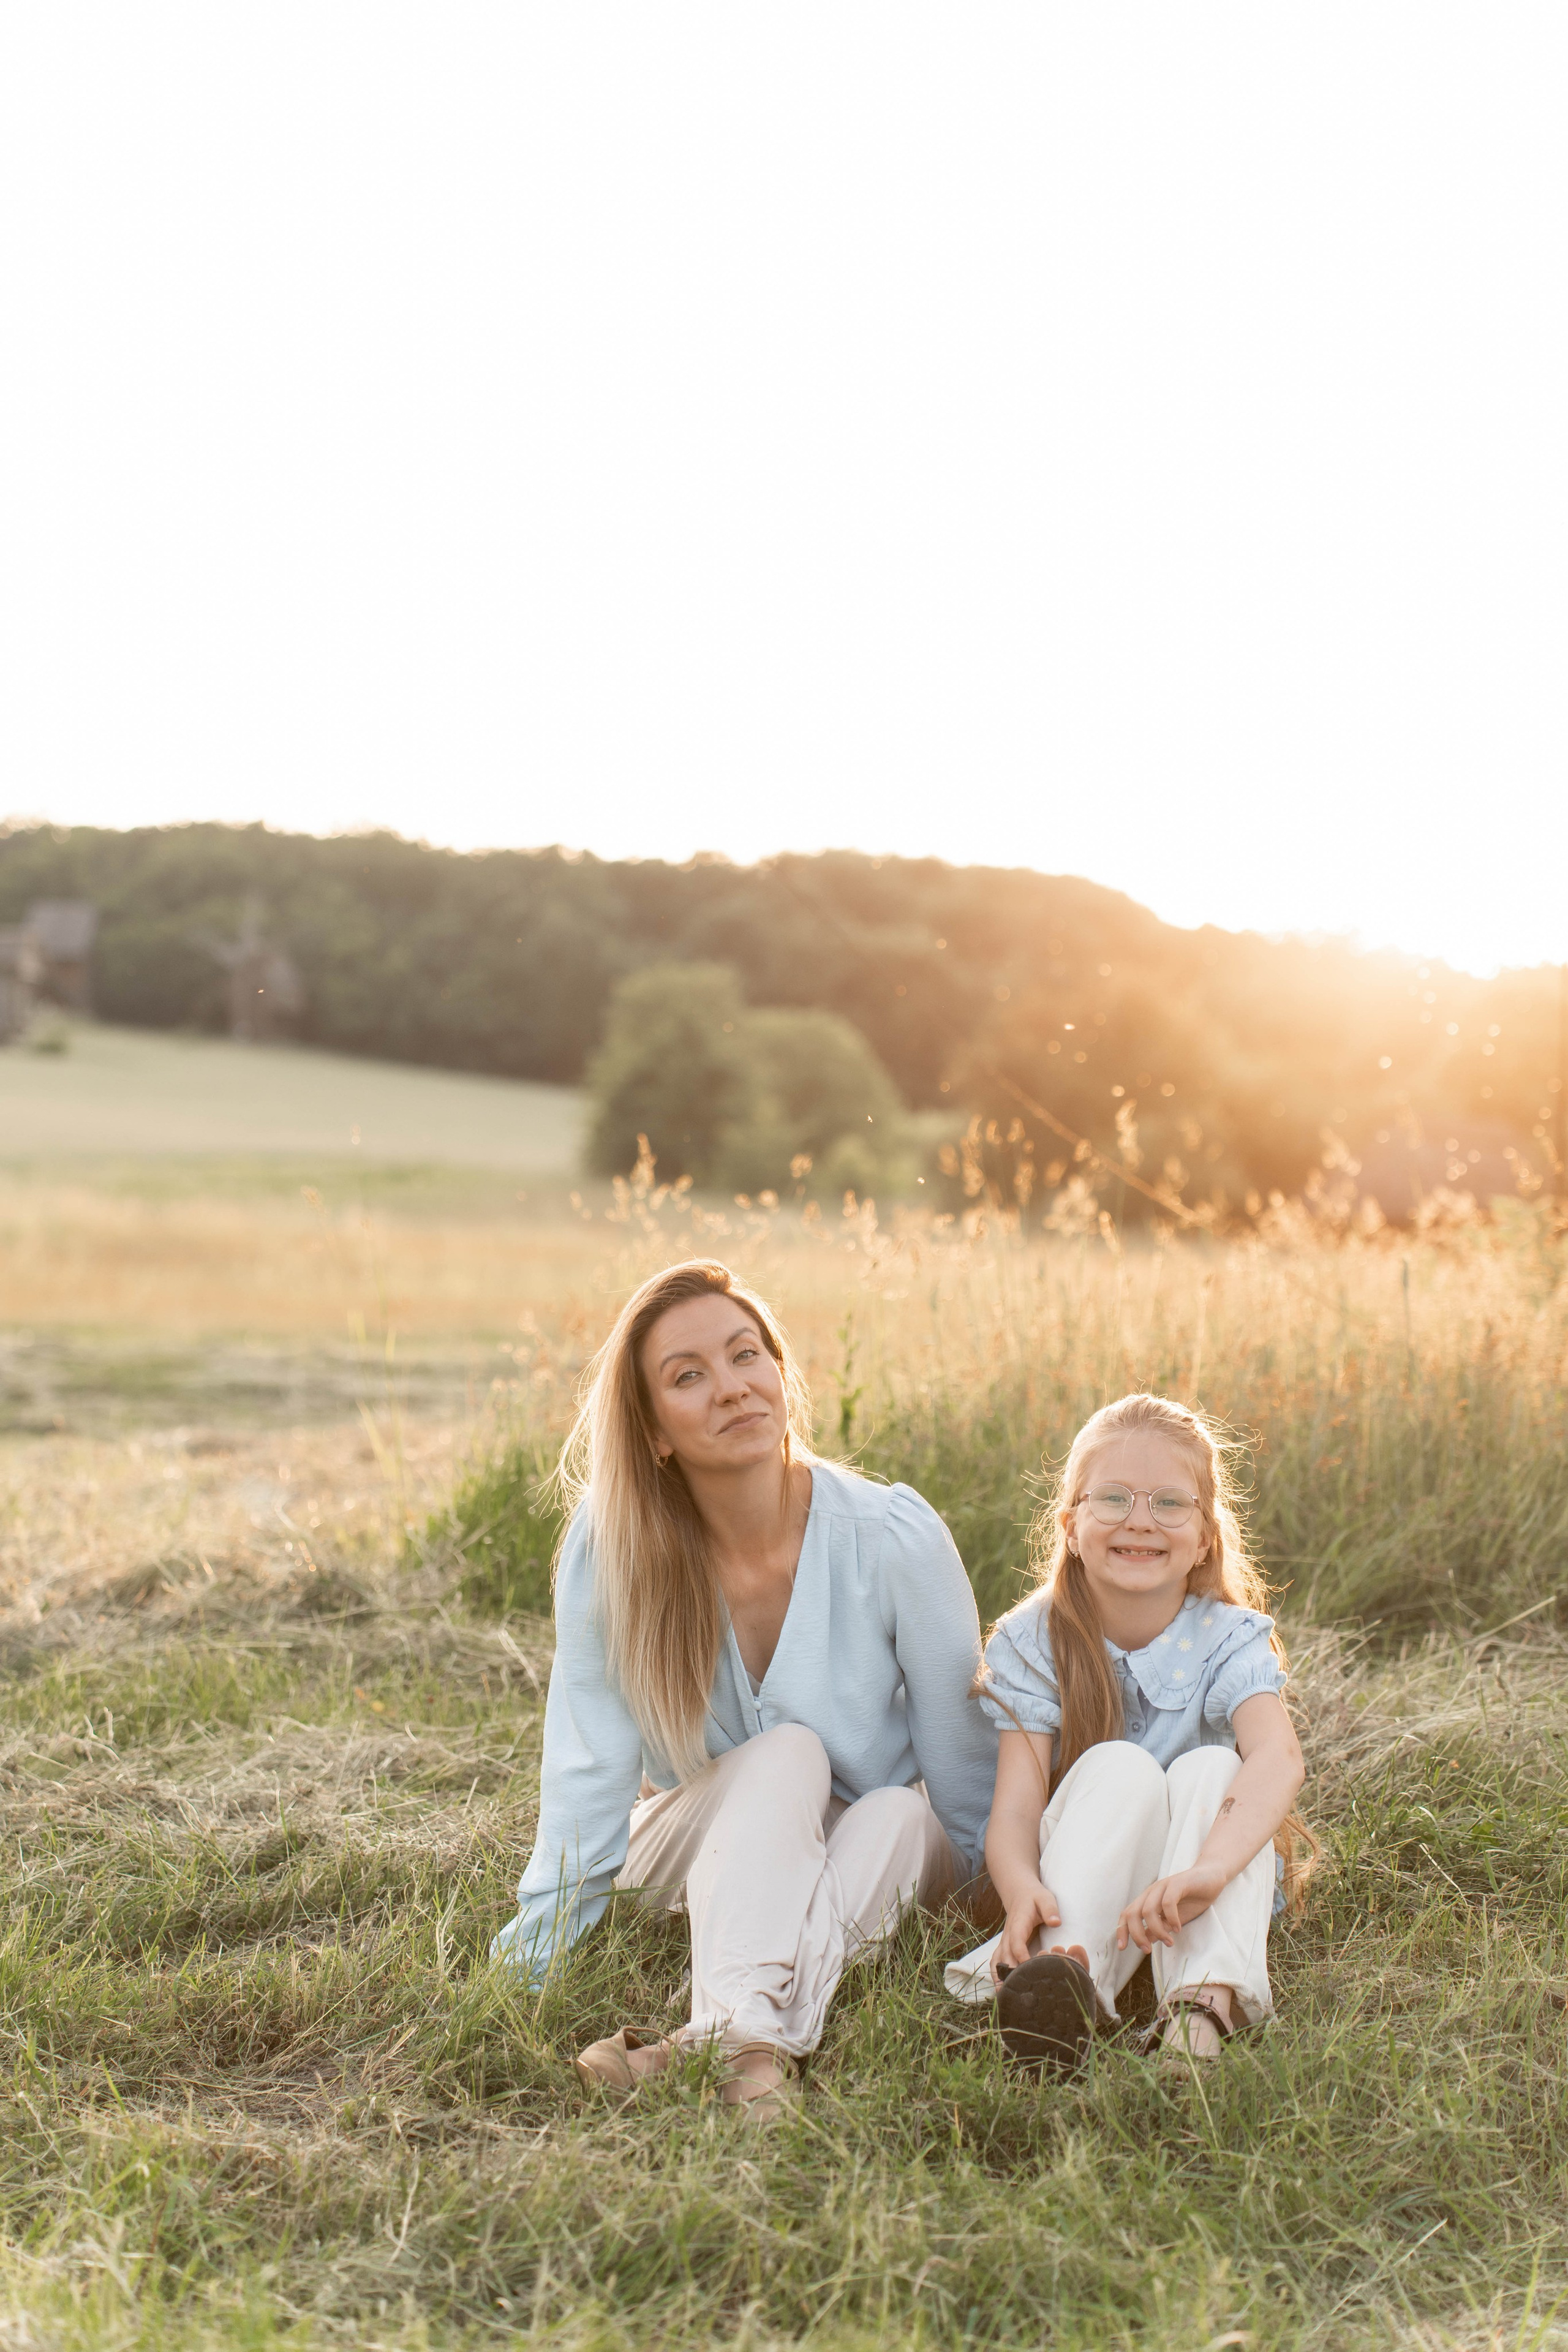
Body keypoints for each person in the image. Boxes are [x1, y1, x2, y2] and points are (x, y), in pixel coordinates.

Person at [493, 1259, 998, 2117]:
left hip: (874, 1849)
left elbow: (962, 1765)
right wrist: (529, 1963)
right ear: (653, 1430)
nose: (732, 1388)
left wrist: (998, 1913)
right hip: (701, 1842)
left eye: (746, 1355)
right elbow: (589, 1767)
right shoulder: (613, 1546)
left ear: (780, 1373)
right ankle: (747, 2040)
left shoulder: (891, 1537)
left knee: (903, 1814)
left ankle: (727, 2043)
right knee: (789, 1752)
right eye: (689, 1377)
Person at [944, 1391, 1312, 2071]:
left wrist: (1207, 1871)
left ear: (1205, 1535)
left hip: (1197, 1878)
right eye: (1112, 1499)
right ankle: (1066, 1977)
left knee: (1211, 1770)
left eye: (1169, 1503)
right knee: (1119, 1765)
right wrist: (1021, 1889)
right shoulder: (1034, 1640)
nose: (1140, 1522)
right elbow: (1016, 1809)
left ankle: (1200, 2009)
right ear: (1070, 1525)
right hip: (1091, 1872)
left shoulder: (1228, 1637)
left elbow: (1278, 1758)